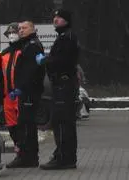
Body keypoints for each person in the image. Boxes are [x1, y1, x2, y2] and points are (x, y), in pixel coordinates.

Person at [35, 9, 79, 170]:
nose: (55, 19)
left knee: (61, 122)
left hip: (63, 85)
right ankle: (65, 155)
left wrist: (46, 60)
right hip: (62, 84)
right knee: (64, 122)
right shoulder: (63, 37)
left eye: (59, 17)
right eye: (54, 17)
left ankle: (63, 157)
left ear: (66, 20)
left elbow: (63, 61)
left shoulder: (67, 38)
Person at [6, 21, 45, 168]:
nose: (21, 30)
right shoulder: (27, 44)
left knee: (25, 124)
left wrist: (20, 88)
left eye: (25, 28)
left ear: (33, 29)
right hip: (28, 90)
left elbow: (31, 70)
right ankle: (30, 157)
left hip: (29, 91)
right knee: (27, 124)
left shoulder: (32, 46)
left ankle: (26, 157)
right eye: (20, 28)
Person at [0, 22, 21, 146]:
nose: (12, 35)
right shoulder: (4, 54)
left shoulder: (23, 51)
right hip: (8, 93)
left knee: (22, 121)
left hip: (20, 92)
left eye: (14, 32)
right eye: (10, 33)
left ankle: (24, 147)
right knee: (11, 122)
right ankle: (17, 145)